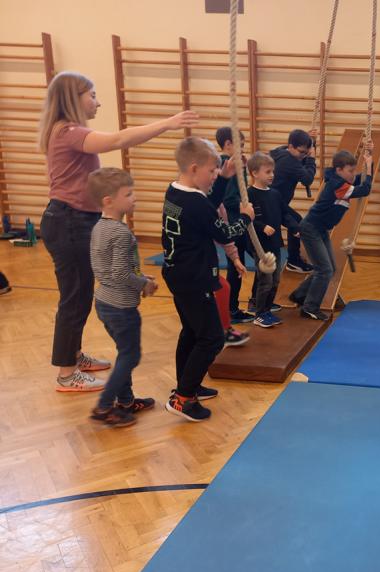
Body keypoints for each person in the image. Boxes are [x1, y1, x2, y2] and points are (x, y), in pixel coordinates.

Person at [38, 71, 197, 392]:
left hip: (74, 220)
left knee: (80, 294)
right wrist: (168, 123)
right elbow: (117, 140)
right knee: (75, 297)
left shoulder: (66, 132)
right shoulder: (68, 132)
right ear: (73, 98)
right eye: (92, 95)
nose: (97, 102)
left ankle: (73, 355)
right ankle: (67, 374)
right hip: (68, 222)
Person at [161, 137, 254, 422]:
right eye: (212, 171)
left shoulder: (175, 192)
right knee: (212, 338)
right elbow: (223, 232)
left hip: (178, 274)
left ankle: (187, 385)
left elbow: (204, 209)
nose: (215, 175)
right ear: (194, 169)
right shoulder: (196, 203)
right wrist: (246, 218)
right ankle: (183, 398)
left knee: (191, 332)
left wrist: (224, 179)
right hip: (195, 278)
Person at [87, 168, 156, 426]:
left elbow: (109, 267)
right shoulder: (121, 233)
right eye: (128, 194)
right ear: (109, 201)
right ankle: (104, 407)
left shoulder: (99, 228)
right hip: (121, 308)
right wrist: (144, 285)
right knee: (131, 355)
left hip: (104, 303)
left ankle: (126, 402)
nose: (134, 198)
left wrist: (140, 276)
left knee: (124, 352)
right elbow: (119, 273)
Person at [289, 146, 373, 321]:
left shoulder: (341, 181)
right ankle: (310, 307)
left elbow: (360, 180)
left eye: (354, 171)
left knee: (329, 269)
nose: (353, 175)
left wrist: (367, 165)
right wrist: (370, 168)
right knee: (325, 270)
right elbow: (364, 189)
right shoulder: (337, 185)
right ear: (339, 170)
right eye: (350, 171)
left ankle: (300, 294)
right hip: (311, 229)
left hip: (320, 230)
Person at [246, 151, 300, 328]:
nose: (272, 175)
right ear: (255, 173)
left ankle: (267, 310)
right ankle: (259, 313)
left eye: (272, 171)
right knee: (266, 280)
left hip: (275, 244)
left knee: (275, 280)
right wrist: (262, 226)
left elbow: (284, 214)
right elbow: (247, 219)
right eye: (268, 172)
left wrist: (294, 228)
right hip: (260, 246)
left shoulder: (275, 194)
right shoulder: (249, 195)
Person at [212, 126, 257, 323]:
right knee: (236, 268)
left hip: (234, 221)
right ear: (228, 144)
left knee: (238, 265)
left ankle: (233, 308)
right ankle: (232, 309)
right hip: (233, 222)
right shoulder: (227, 165)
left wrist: (243, 169)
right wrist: (246, 211)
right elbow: (230, 198)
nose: (243, 150)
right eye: (241, 145)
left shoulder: (228, 164)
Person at [270, 129, 318, 273]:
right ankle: (293, 261)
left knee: (296, 223)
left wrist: (312, 142)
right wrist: (311, 159)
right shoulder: (289, 161)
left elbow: (300, 159)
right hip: (273, 204)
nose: (303, 155)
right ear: (291, 146)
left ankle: (293, 260)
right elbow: (307, 179)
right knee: (296, 224)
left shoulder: (281, 151)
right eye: (302, 152)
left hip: (275, 201)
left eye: (306, 152)